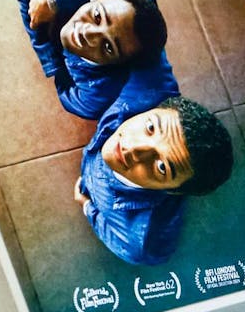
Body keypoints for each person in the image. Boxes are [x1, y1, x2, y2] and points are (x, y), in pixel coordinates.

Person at [74, 95, 233, 265]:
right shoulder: (124, 103)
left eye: (162, 167)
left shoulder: (140, 242)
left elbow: (129, 248)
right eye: (151, 127)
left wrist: (87, 206)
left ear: (173, 190)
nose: (132, 148)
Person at [16, 0, 177, 119]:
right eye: (97, 17)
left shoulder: (94, 99)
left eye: (108, 47)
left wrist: (52, 61)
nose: (88, 34)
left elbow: (66, 91)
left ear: (116, 65)